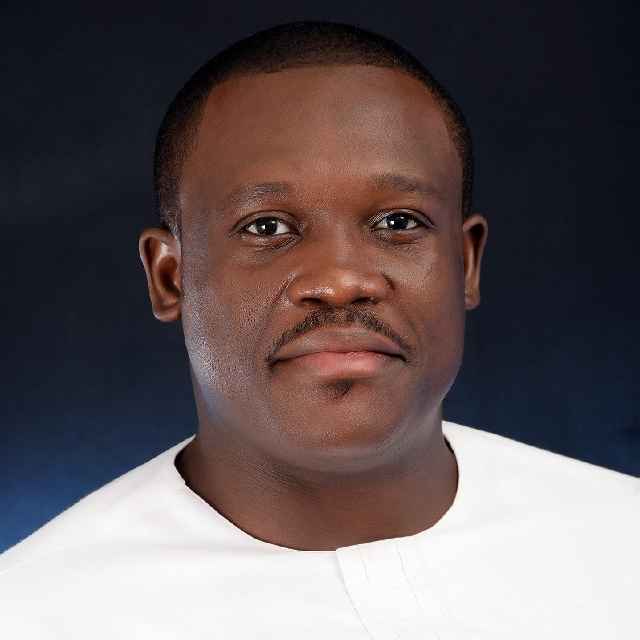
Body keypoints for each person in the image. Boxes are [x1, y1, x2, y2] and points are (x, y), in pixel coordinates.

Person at [1, 20, 638, 639]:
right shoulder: (33, 614)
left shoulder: (619, 540)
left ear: (465, 263)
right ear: (170, 277)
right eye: (267, 227)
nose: (341, 282)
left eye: (397, 223)